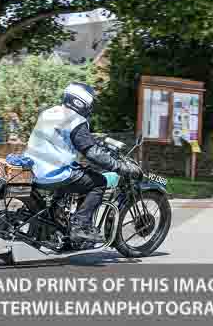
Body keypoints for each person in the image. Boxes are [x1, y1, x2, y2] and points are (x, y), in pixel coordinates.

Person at [24, 82, 143, 242]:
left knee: (80, 173)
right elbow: (91, 152)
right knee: (99, 182)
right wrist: (119, 166)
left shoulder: (50, 112)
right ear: (83, 102)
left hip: (34, 167)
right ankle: (80, 225)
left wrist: (92, 140)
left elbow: (65, 138)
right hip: (54, 172)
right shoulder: (76, 119)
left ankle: (58, 218)